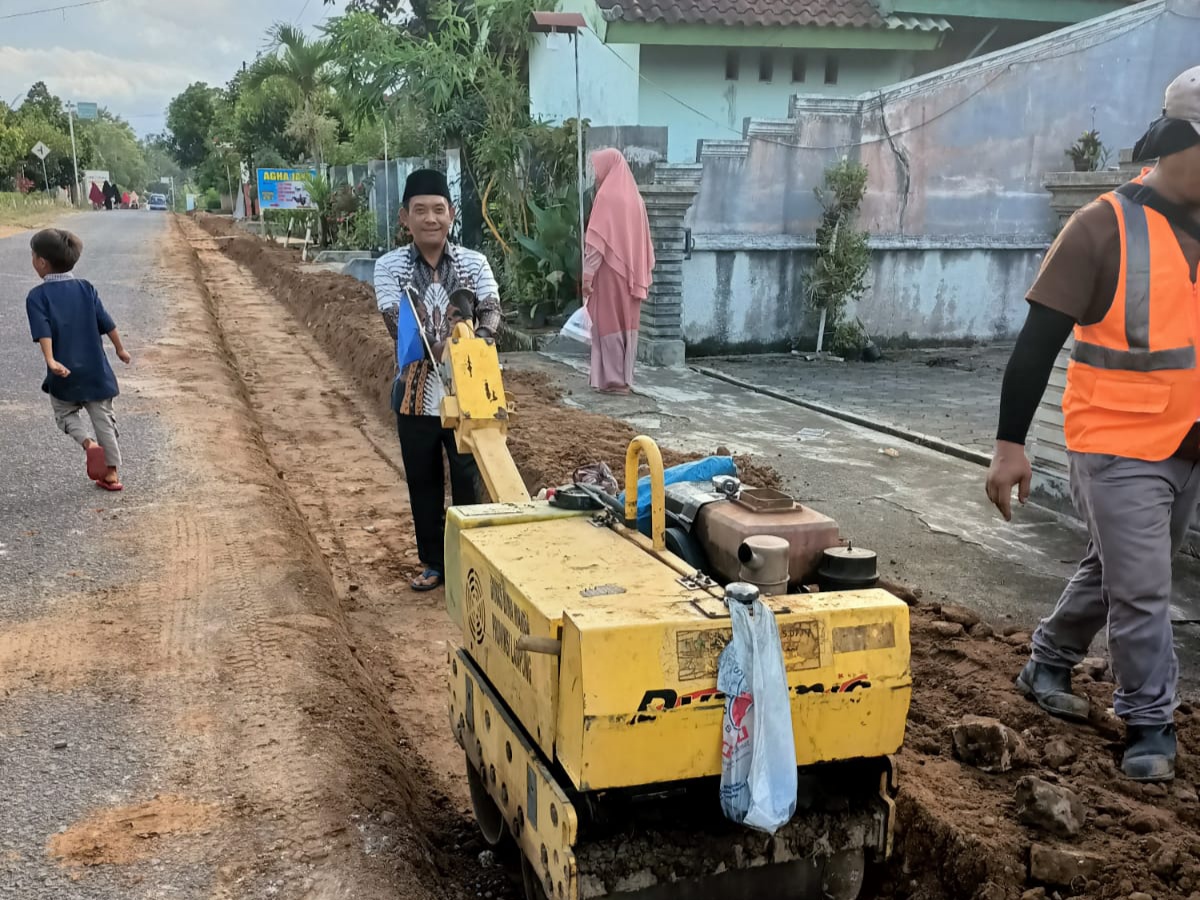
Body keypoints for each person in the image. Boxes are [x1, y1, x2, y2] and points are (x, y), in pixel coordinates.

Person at [986, 66, 1200, 783]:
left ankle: (1047, 662)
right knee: (1143, 588)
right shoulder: (1100, 227)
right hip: (1113, 442)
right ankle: (1148, 725)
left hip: (1186, 443)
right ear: (1177, 143)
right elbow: (1036, 344)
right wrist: (1009, 445)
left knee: (1118, 570)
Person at [374, 169, 501, 592]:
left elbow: (492, 310)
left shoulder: (474, 263)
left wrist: (473, 342)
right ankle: (433, 563)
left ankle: (468, 563)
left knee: (469, 479)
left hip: (468, 394)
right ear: (404, 218)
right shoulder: (388, 267)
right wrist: (446, 344)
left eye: (439, 210)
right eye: (420, 210)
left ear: (451, 215)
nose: (430, 218)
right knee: (423, 481)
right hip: (414, 395)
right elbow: (396, 321)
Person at [25, 229, 132, 491]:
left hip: (65, 374)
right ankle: (112, 474)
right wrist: (120, 349)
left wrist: (51, 360)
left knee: (64, 412)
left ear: (41, 262)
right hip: (96, 372)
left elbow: (43, 331)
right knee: (104, 419)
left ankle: (88, 444)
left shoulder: (37, 296)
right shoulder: (86, 288)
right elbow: (106, 322)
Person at [583, 148, 655, 395]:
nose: (595, 175)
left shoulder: (606, 197)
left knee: (608, 323)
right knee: (628, 324)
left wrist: (587, 276)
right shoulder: (637, 200)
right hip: (633, 275)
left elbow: (595, 243)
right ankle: (623, 378)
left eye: (597, 168)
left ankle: (612, 380)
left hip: (610, 273)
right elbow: (645, 243)